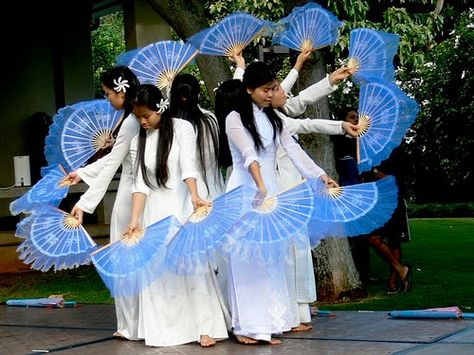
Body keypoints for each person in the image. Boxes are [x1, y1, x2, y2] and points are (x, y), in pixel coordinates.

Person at [226, 51, 356, 332]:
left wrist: (321, 176)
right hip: (247, 191)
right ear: (249, 90)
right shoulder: (235, 118)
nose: (273, 93)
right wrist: (260, 186)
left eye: (274, 88)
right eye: (268, 89)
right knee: (247, 259)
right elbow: (249, 155)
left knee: (272, 258)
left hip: (271, 192)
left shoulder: (273, 118)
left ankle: (271, 322)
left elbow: (294, 150)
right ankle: (246, 326)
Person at [126, 84, 229, 348]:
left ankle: (205, 326)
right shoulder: (140, 139)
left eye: (146, 115)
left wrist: (195, 195)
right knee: (159, 271)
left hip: (181, 204)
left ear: (160, 108)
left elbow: (189, 165)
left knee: (192, 266)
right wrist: (135, 219)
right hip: (154, 212)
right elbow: (140, 184)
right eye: (138, 117)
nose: (142, 121)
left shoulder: (183, 128)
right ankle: (166, 328)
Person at [64, 66, 141, 340]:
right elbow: (113, 159)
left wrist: (85, 203)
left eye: (108, 93)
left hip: (132, 192)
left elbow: (113, 165)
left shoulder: (132, 121)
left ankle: (133, 324)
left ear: (121, 91)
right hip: (141, 191)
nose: (107, 98)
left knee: (126, 257)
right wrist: (82, 173)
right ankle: (137, 323)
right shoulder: (132, 118)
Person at [362, 146, 412, 294]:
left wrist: (378, 173)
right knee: (373, 238)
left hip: (394, 201)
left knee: (394, 240)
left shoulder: (398, 152)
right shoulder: (372, 153)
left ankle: (394, 281)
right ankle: (401, 269)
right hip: (378, 202)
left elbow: (400, 178)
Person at [169, 73, 223, 200]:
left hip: (180, 190)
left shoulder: (169, 124)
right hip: (213, 186)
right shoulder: (210, 119)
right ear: (198, 94)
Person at [332, 107, 370, 285]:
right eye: (352, 118)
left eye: (357, 117)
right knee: (351, 236)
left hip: (361, 195)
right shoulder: (339, 142)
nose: (356, 120)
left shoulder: (362, 143)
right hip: (346, 195)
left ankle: (364, 273)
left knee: (363, 236)